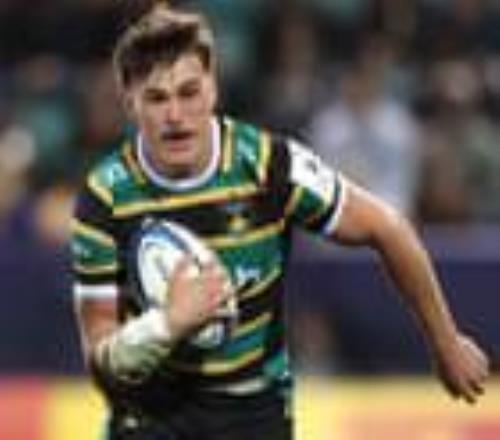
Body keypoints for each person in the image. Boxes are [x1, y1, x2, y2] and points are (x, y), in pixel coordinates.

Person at [70, 3, 489, 439]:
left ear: (213, 88)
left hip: (253, 409)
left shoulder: (269, 165)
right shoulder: (105, 196)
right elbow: (101, 362)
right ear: (130, 102)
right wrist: (168, 324)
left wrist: (446, 342)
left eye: (189, 92)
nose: (175, 115)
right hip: (151, 415)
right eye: (157, 98)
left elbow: (389, 228)